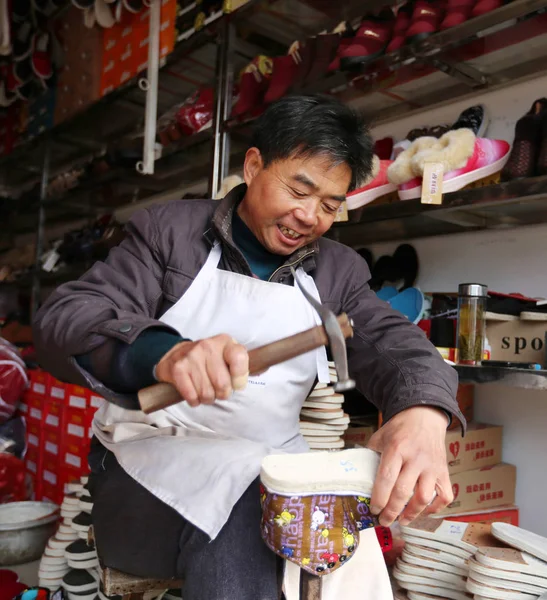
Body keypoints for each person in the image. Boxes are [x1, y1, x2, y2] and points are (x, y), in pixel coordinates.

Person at [33, 95, 464, 600]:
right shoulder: (167, 236)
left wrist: (423, 412)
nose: (309, 217)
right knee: (254, 508)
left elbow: (398, 347)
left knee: (336, 529)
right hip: (147, 463)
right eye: (299, 190)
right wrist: (163, 355)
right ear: (254, 165)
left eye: (329, 205)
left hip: (273, 463)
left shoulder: (335, 272)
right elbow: (68, 318)